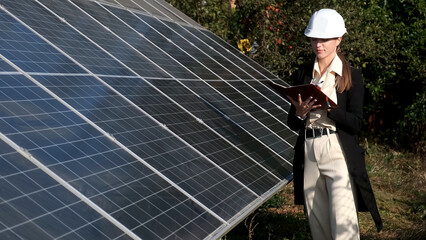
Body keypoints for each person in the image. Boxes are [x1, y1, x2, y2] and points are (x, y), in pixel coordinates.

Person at [287, 8, 383, 240]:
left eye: (324, 38)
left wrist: (330, 109)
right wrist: (299, 114)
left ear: (338, 39)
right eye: (314, 38)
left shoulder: (351, 76)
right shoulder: (303, 74)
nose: (318, 44)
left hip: (336, 149)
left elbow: (357, 124)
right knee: (317, 222)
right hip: (309, 151)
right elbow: (292, 122)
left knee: (343, 224)